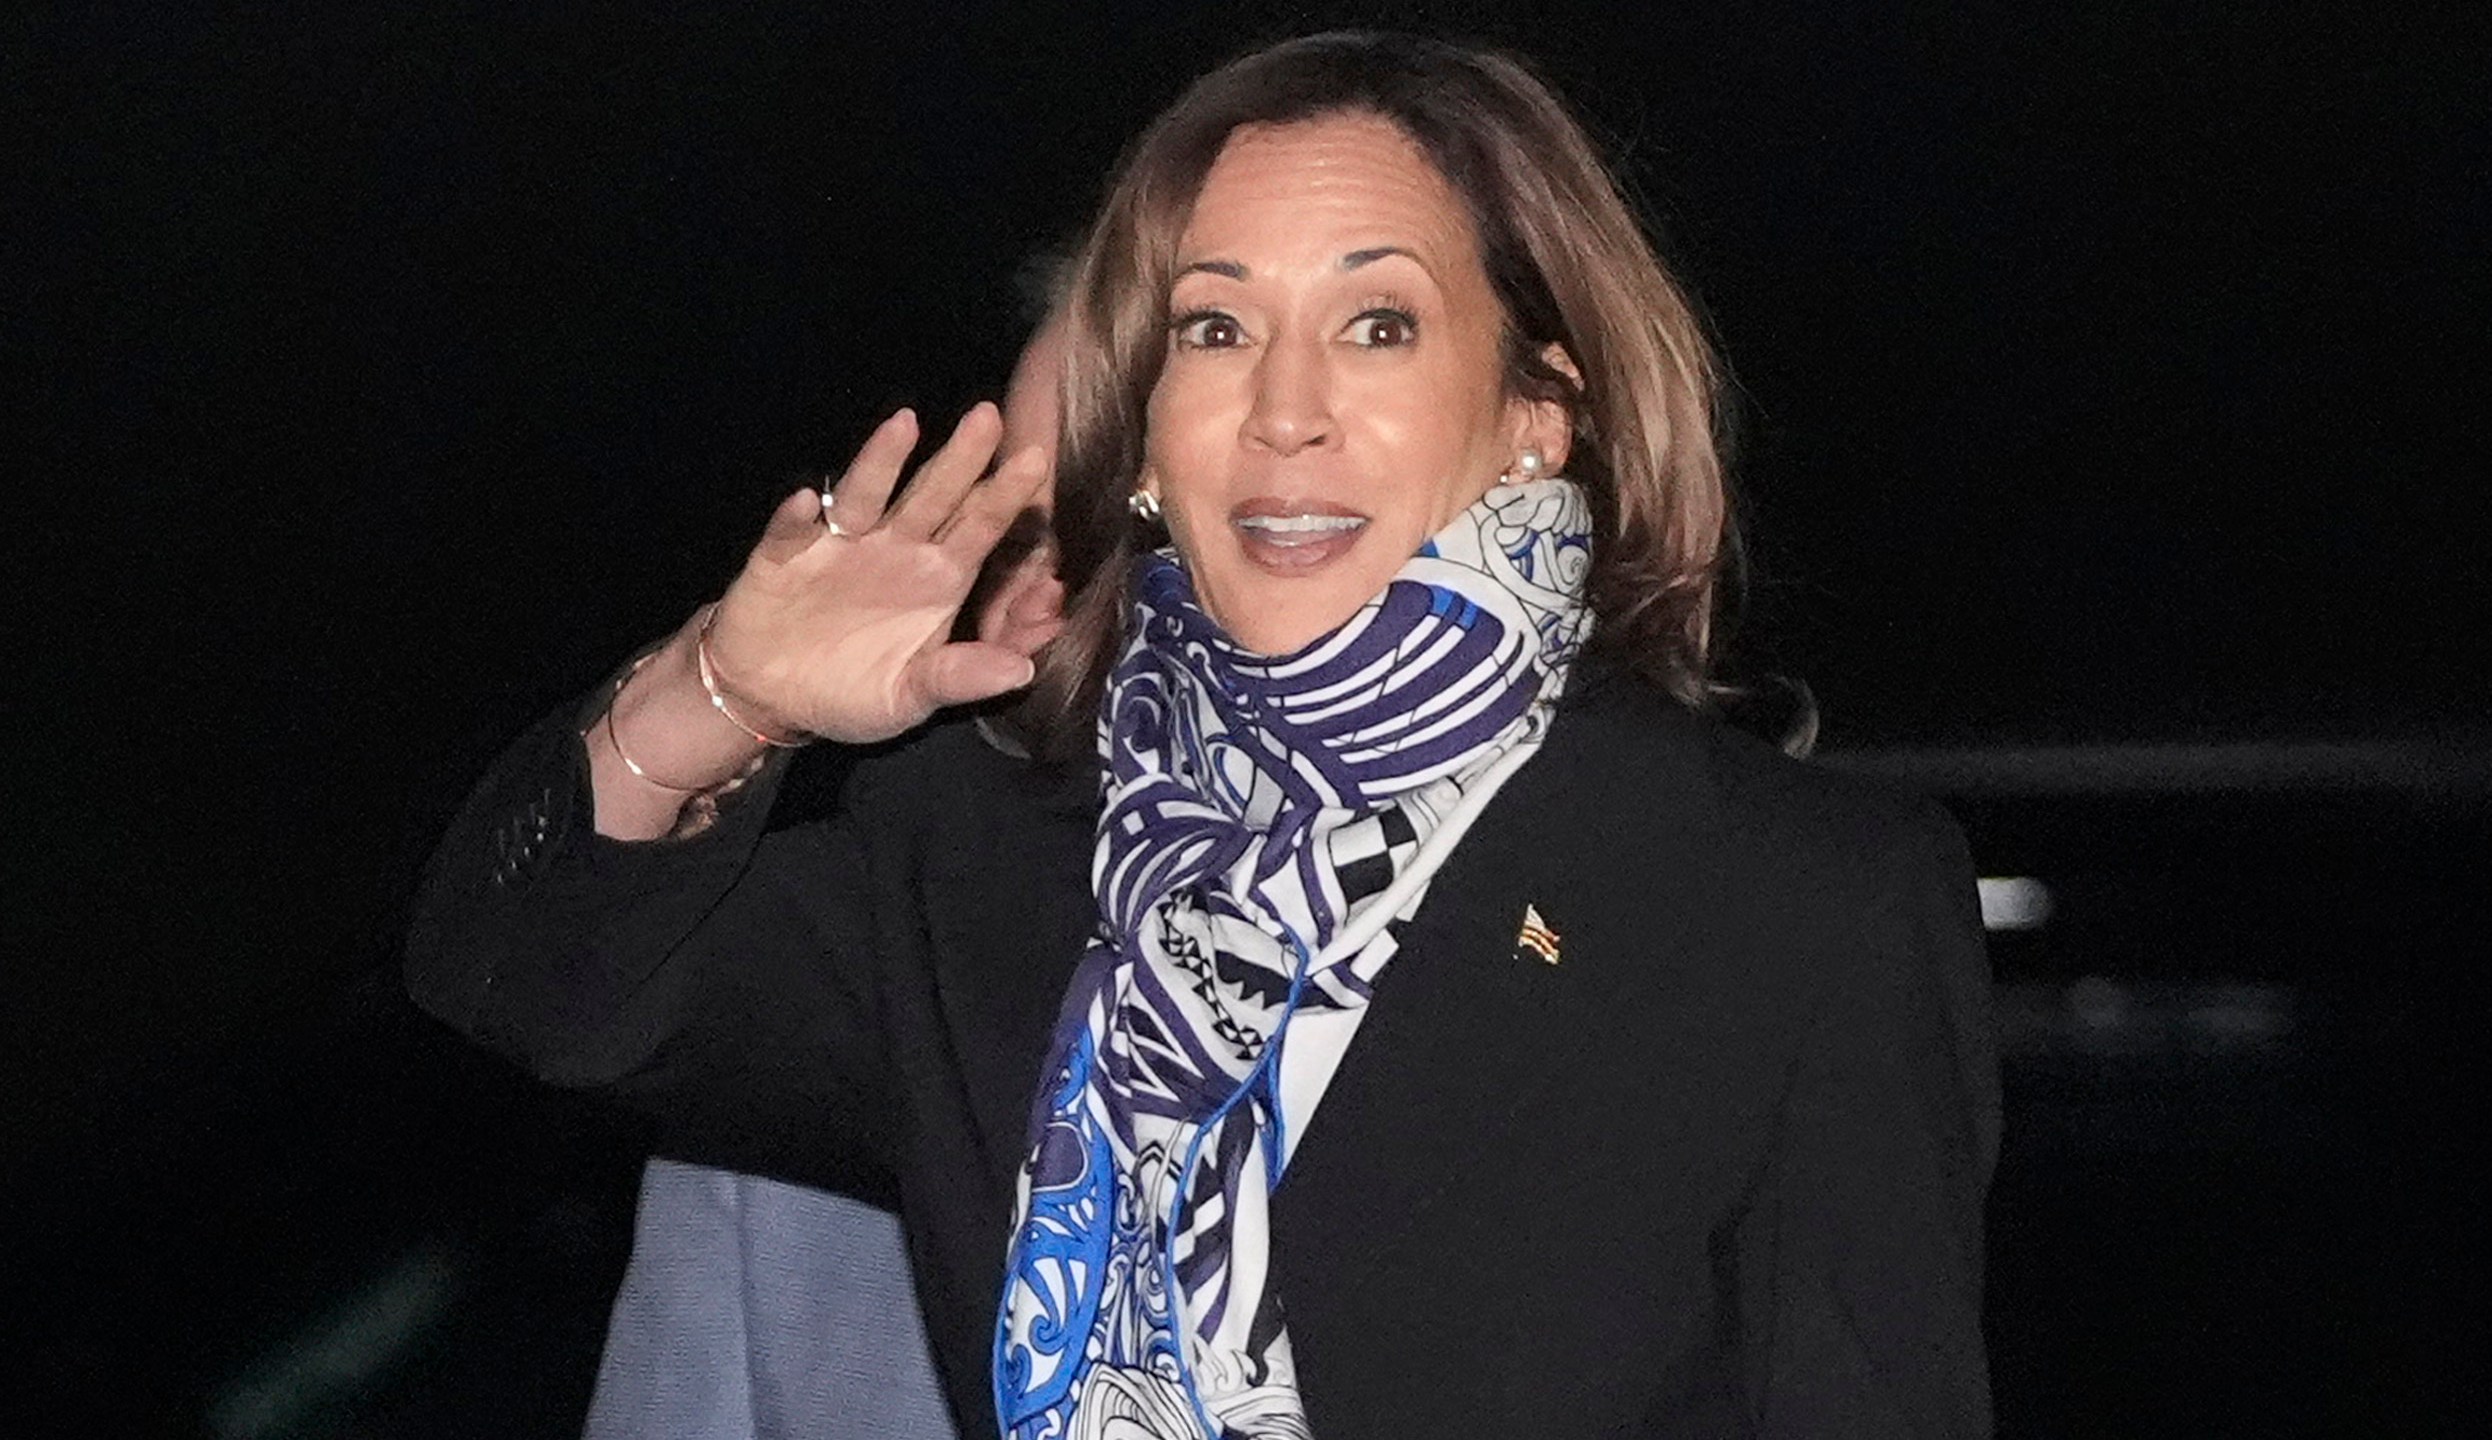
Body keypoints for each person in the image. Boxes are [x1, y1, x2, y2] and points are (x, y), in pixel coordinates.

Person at [410, 31, 1998, 1439]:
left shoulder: (1794, 902)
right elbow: (529, 979)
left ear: (1540, 408)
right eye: (1216, 330)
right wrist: (728, 696)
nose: (1284, 408)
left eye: (1379, 327)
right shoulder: (986, 861)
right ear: (1149, 434)